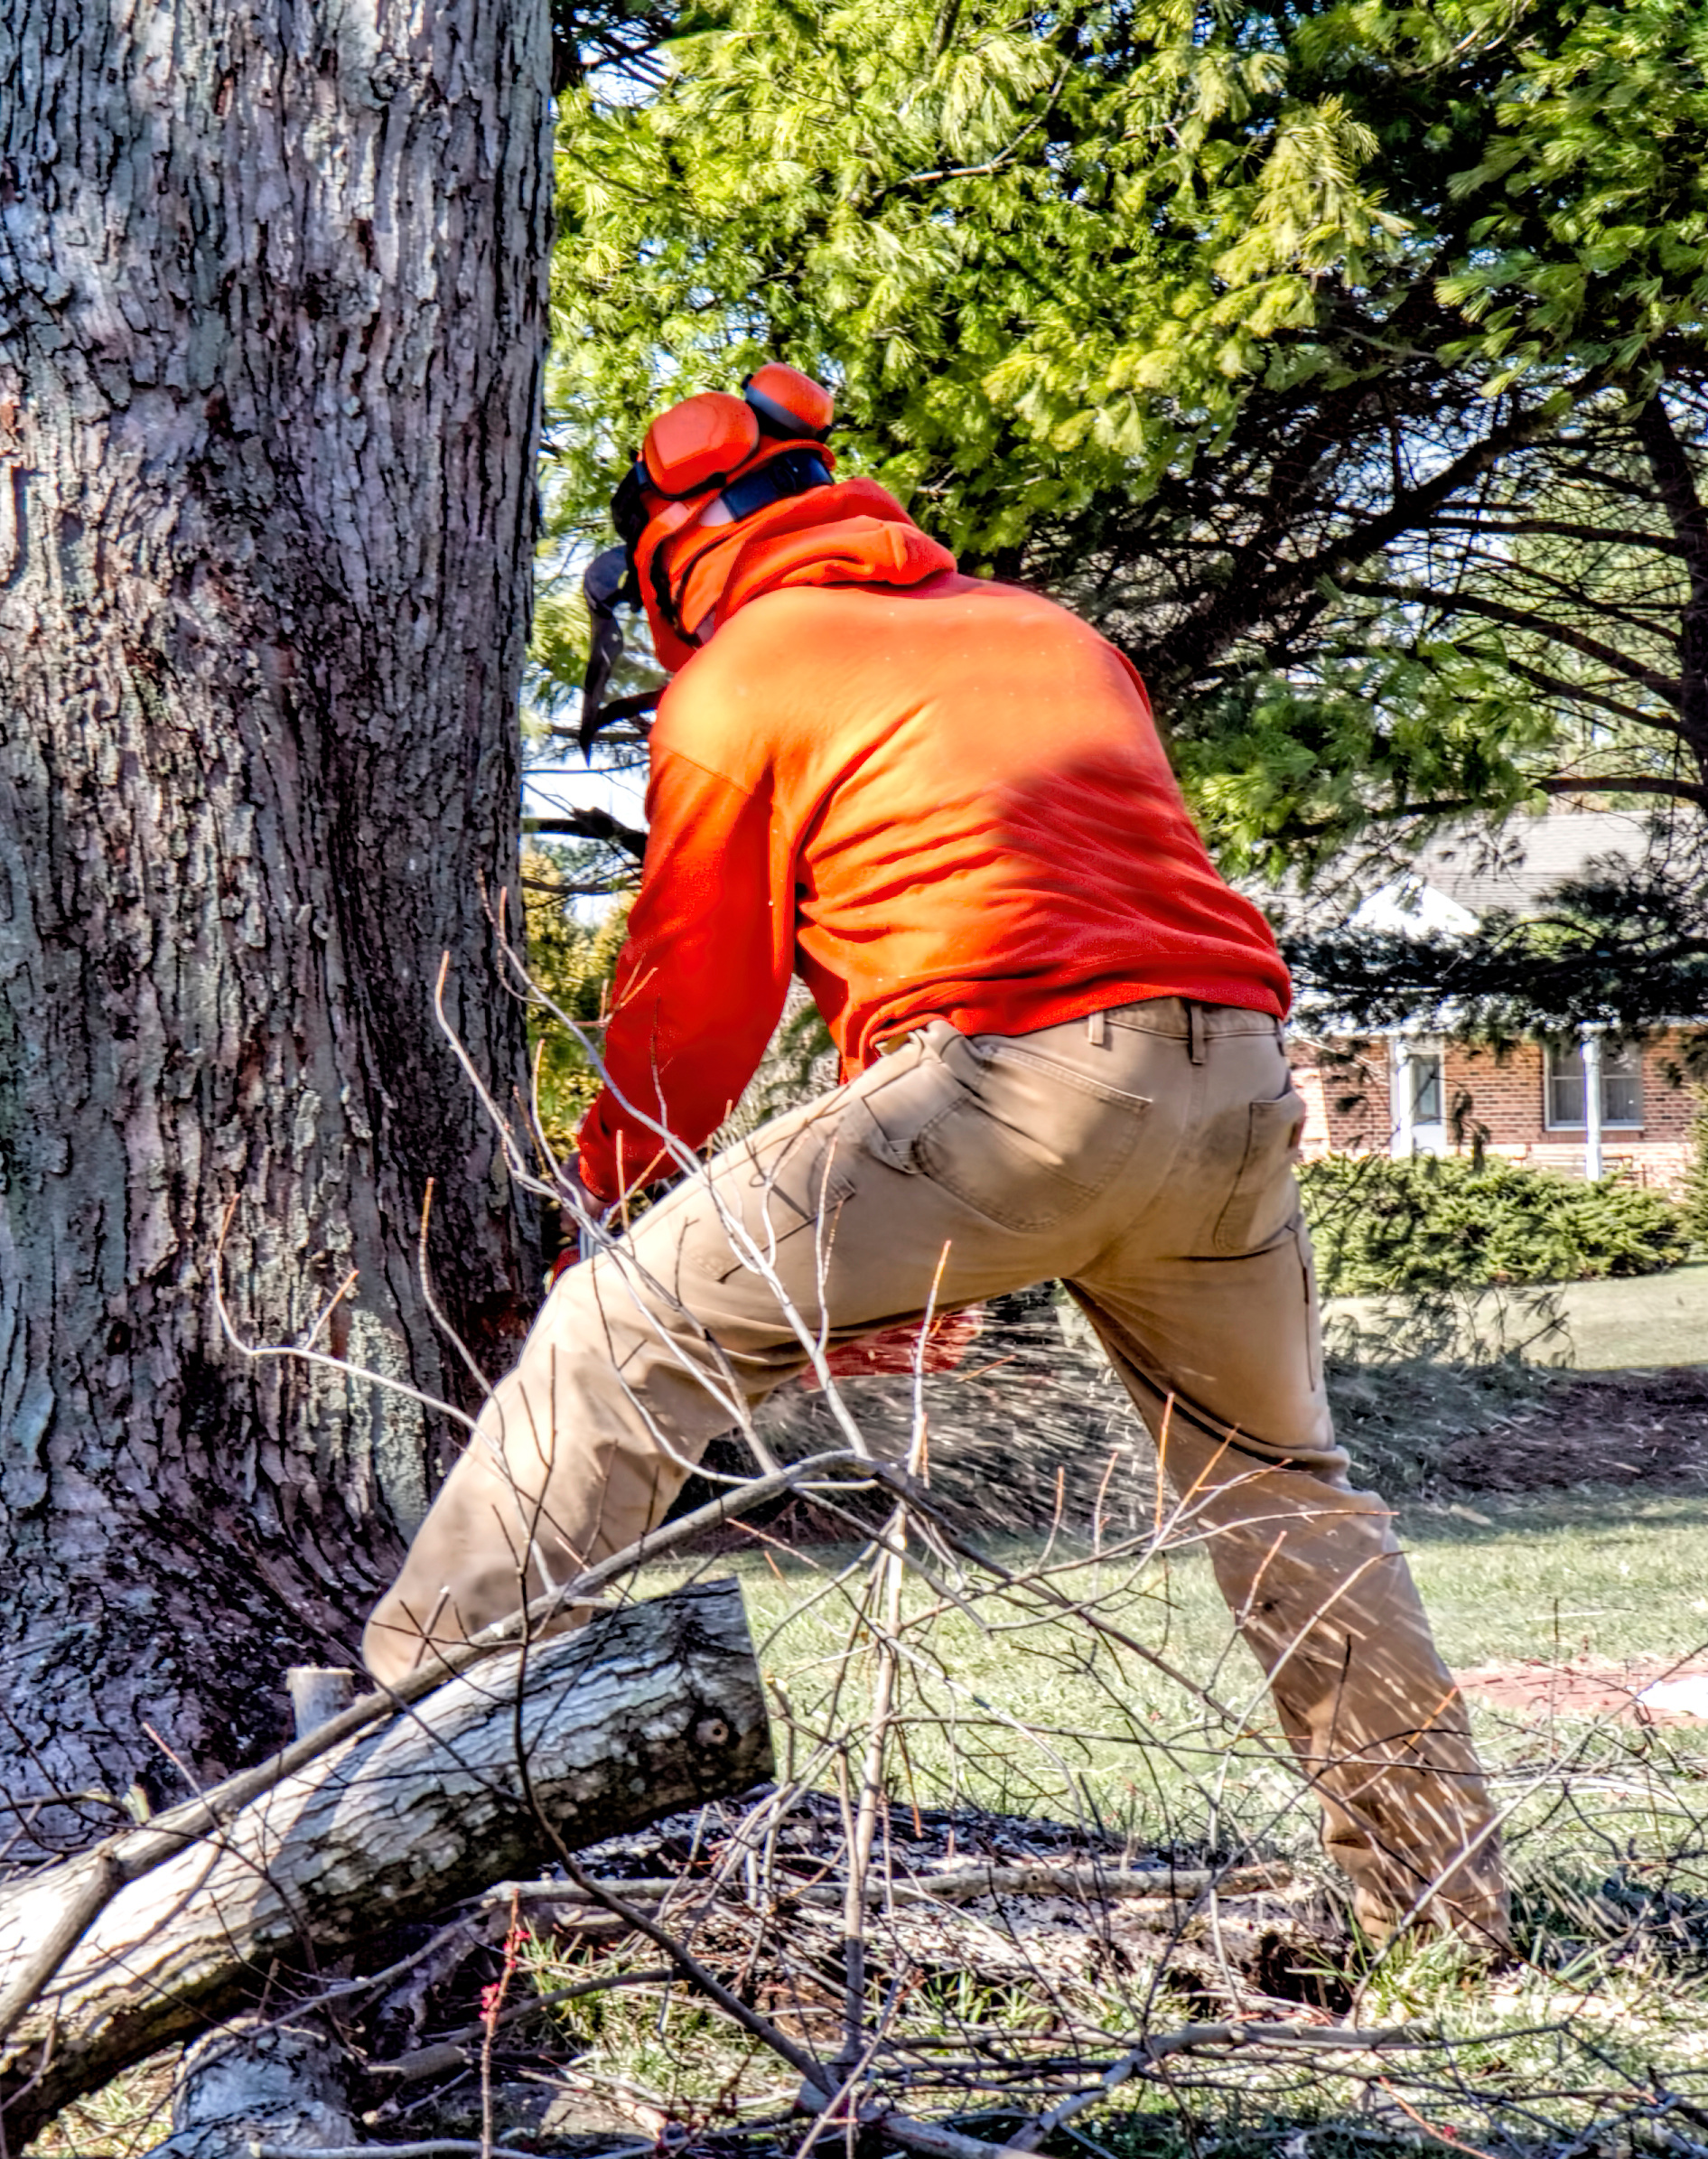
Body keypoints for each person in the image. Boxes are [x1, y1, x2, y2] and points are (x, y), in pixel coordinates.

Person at [360, 364, 1509, 1944]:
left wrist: (604, 1199)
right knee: (1282, 1490)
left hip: (1015, 1078)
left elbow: (697, 1000)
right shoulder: (1052, 634)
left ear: (673, 558)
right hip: (1234, 1083)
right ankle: (1437, 1898)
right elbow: (992, 908)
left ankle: (366, 1786)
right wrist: (897, 1249)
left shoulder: (747, 672)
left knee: (614, 1340)